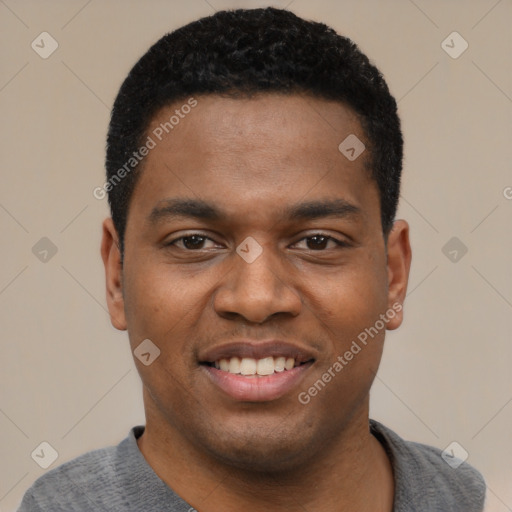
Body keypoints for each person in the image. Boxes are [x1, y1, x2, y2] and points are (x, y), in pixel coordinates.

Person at [18, 7, 486, 512]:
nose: (257, 298)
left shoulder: (463, 498)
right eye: (194, 242)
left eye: (317, 241)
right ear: (116, 276)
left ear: (393, 275)